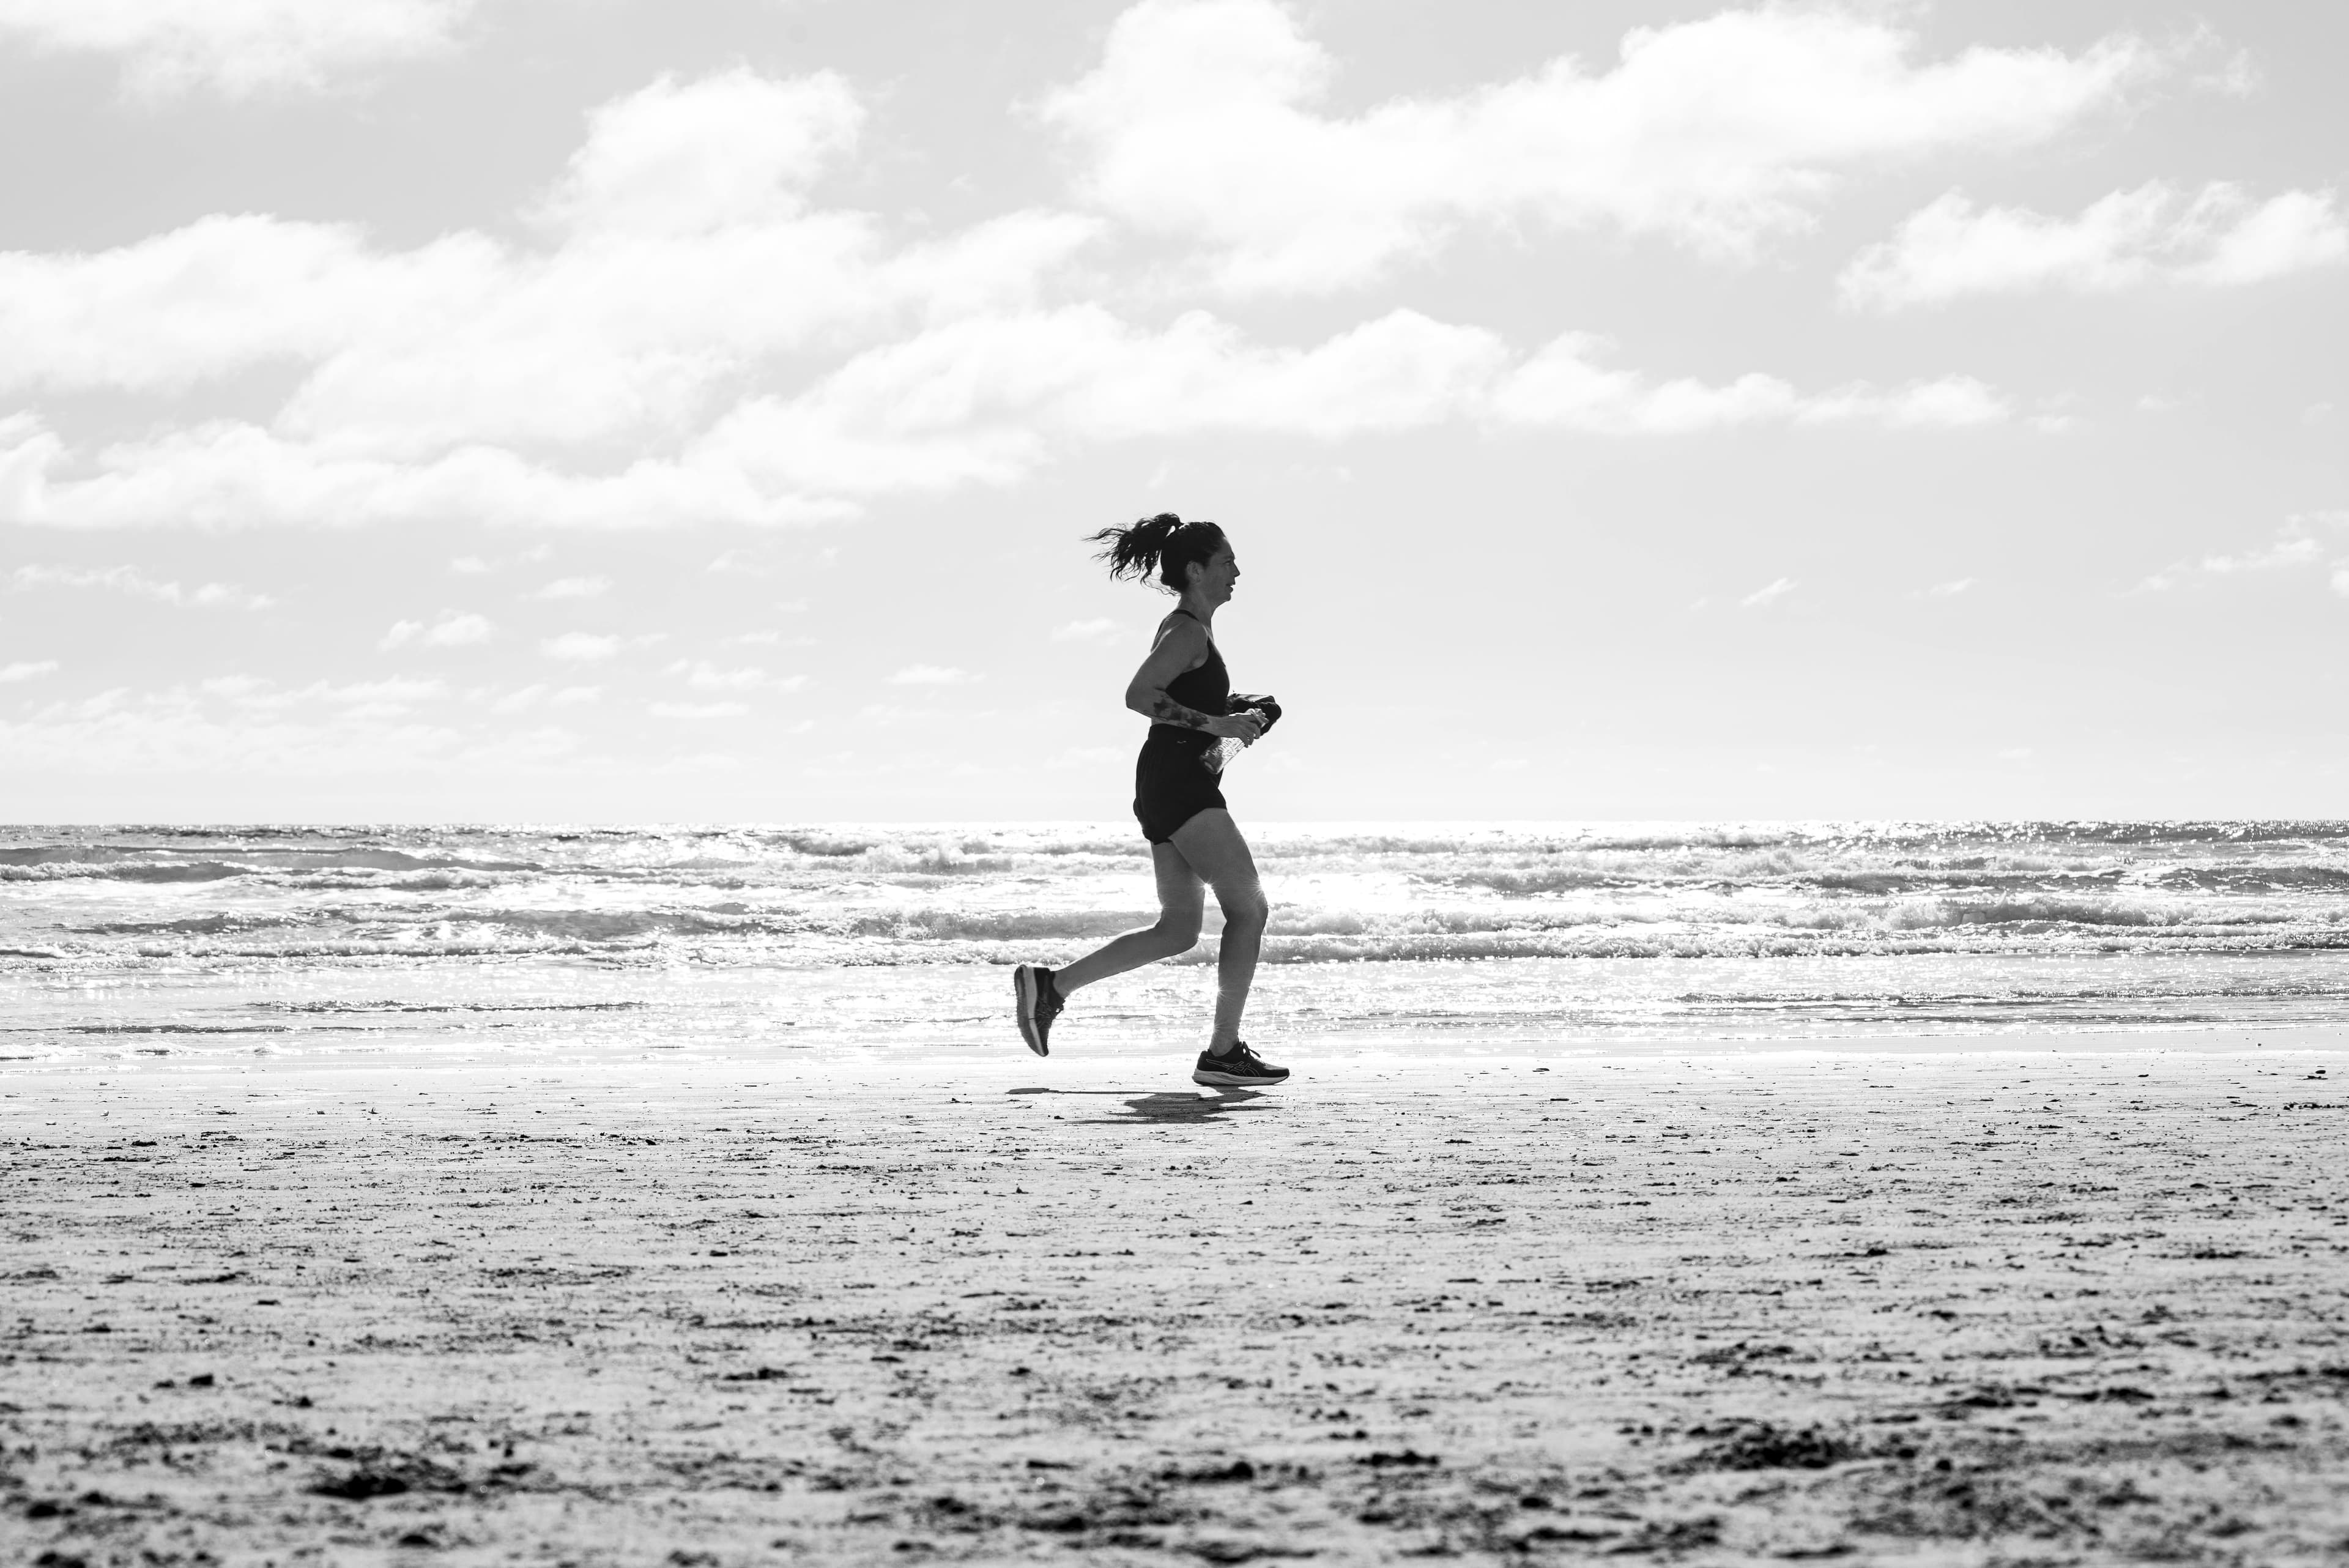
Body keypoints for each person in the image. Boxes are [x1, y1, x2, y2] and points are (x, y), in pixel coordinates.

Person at [1013, 514, 1289, 1088]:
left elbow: (1183, 700)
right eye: (1226, 561)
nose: (1238, 570)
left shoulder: (1193, 632)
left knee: (1178, 930)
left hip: (1167, 782)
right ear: (1196, 569)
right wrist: (1219, 719)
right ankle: (1222, 1051)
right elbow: (1140, 694)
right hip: (1181, 784)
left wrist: (1240, 713)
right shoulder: (1187, 629)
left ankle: (1051, 987)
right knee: (1251, 908)